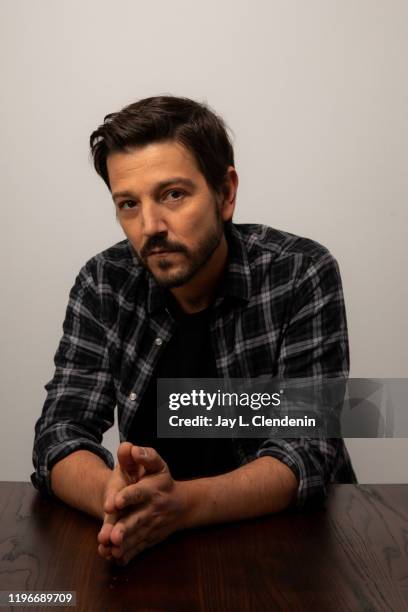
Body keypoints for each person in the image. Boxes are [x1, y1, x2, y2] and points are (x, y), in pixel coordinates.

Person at [32, 95, 357, 566]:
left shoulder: (300, 273)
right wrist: (117, 496)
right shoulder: (103, 283)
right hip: (149, 544)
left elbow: (306, 450)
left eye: (173, 194)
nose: (150, 227)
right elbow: (59, 433)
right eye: (128, 203)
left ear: (226, 193)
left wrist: (177, 505)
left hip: (290, 545)